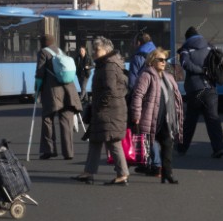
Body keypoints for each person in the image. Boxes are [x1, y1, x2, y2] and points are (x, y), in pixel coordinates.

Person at [71, 37, 130, 186]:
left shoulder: (109, 65)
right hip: (109, 110)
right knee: (96, 140)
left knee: (112, 142)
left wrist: (99, 105)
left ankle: (122, 174)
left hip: (108, 111)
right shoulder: (108, 63)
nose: (94, 52)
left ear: (106, 50)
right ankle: (88, 172)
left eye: (97, 49)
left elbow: (109, 90)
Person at [129, 48, 183, 184]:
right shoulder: (146, 76)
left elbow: (175, 97)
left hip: (166, 118)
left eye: (165, 60)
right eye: (160, 59)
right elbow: (137, 95)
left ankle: (167, 173)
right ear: (152, 61)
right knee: (148, 144)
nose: (163, 62)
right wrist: (136, 115)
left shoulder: (168, 77)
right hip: (150, 117)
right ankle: (133, 169)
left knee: (167, 145)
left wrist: (178, 114)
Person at [177, 27, 223, 158]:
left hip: (195, 90)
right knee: (213, 119)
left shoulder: (186, 50)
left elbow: (185, 64)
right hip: (210, 89)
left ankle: (182, 147)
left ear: (187, 38)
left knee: (191, 120)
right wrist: (208, 73)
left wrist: (200, 70)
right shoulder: (210, 47)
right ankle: (218, 147)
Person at [36, 34, 82, 160]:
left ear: (42, 43)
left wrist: (37, 90)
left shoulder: (43, 53)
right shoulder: (61, 51)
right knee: (66, 121)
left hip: (52, 93)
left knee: (47, 119)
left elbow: (40, 73)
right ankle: (68, 152)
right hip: (69, 91)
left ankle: (49, 150)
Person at [128, 32, 161, 176]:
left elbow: (132, 82)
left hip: (144, 99)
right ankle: (151, 163)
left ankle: (153, 163)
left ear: (139, 43)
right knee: (153, 131)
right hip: (158, 98)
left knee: (144, 131)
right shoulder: (157, 54)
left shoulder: (138, 57)